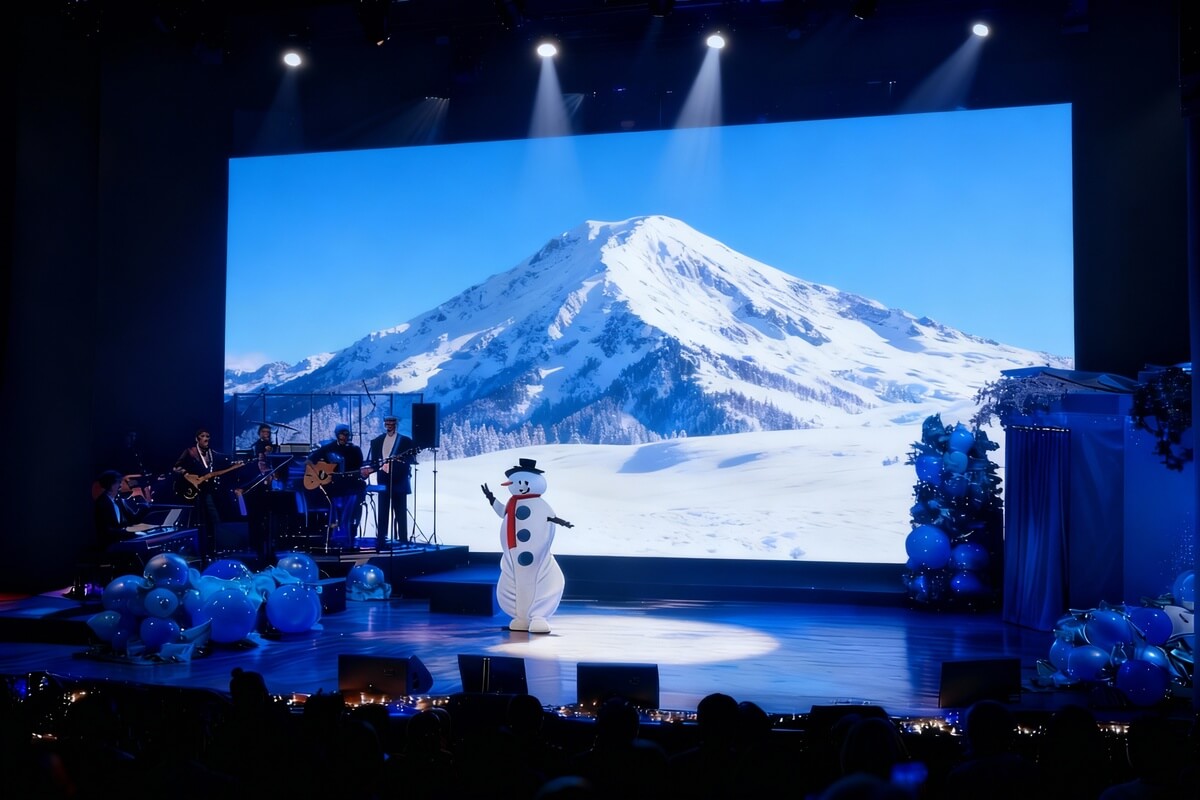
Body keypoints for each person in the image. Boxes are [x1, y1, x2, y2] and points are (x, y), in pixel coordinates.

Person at [173, 428, 242, 564]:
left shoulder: (213, 454)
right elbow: (176, 467)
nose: (206, 439)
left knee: (214, 518)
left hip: (210, 491)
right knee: (194, 519)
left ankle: (215, 548)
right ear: (197, 439)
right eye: (203, 436)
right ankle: (193, 550)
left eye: (208, 436)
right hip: (193, 491)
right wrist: (187, 475)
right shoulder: (190, 452)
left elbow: (223, 467)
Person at [362, 414, 417, 546]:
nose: (389, 424)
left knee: (400, 512)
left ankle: (403, 540)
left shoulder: (405, 441)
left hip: (399, 480)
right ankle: (381, 539)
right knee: (383, 511)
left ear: (396, 424)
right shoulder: (376, 441)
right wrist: (368, 471)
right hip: (383, 480)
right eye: (387, 422)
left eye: (392, 422)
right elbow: (375, 463)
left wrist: (399, 462)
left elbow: (411, 459)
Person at [307, 423, 365, 548]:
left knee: (351, 511)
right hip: (333, 487)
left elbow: (360, 469)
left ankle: (349, 537)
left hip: (351, 486)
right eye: (341, 434)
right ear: (337, 435)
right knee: (333, 512)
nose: (344, 437)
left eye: (346, 434)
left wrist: (362, 474)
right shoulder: (328, 448)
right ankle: (332, 537)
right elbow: (310, 459)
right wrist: (319, 474)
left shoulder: (355, 450)